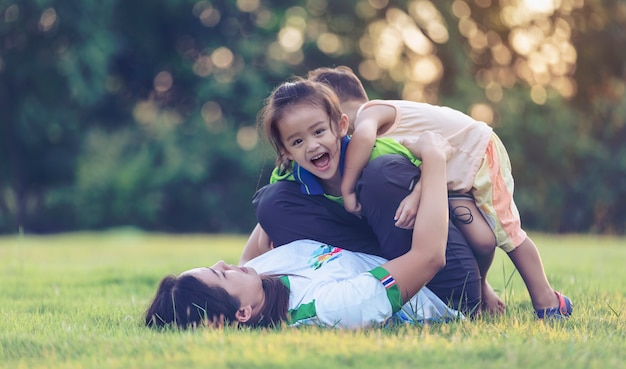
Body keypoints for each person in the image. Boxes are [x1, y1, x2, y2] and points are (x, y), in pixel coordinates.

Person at [307, 65, 573, 319]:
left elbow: (364, 137)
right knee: (482, 239)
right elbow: (423, 165)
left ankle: (547, 300)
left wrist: (348, 189)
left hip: (476, 155)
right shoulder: (386, 138)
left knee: (507, 232)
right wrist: (415, 195)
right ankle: (482, 291)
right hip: (450, 175)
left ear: (337, 108)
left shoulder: (370, 112)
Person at [145, 132, 460, 329]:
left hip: (372, 246)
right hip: (440, 287)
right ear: (242, 313)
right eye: (223, 275)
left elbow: (270, 214)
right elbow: (428, 257)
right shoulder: (333, 308)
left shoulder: (256, 277)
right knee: (382, 175)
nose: (225, 264)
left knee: (273, 200)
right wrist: (433, 158)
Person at [242, 78, 482, 316]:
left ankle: (452, 289)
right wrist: (235, 279)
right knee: (271, 203)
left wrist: (418, 192)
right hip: (376, 272)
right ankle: (370, 286)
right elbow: (260, 239)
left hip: (447, 283)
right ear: (287, 151)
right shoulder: (291, 179)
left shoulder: (378, 149)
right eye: (298, 141)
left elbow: (439, 166)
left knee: (382, 173)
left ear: (341, 126)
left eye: (319, 131)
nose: (313, 145)